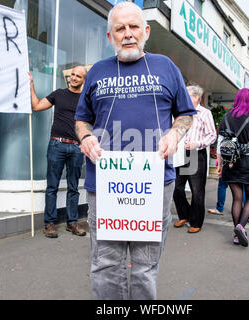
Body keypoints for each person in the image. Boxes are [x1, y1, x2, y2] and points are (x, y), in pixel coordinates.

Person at [74, 2, 195, 300]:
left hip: (154, 181)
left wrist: (174, 134)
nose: (127, 34)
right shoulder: (97, 72)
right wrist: (86, 136)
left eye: (133, 27)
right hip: (105, 182)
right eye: (120, 28)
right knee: (106, 263)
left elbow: (186, 114)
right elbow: (81, 119)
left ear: (146, 31)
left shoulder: (166, 66)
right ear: (109, 36)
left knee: (144, 266)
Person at [29, 66, 87, 238]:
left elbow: (94, 120)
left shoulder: (85, 99)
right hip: (57, 145)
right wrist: (31, 85)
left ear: (84, 80)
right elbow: (37, 106)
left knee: (73, 187)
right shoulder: (59, 94)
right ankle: (50, 224)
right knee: (52, 186)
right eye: (73, 75)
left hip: (77, 147)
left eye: (79, 76)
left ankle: (72, 223)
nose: (74, 78)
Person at [217, 88, 249, 246]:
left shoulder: (226, 116)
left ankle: (237, 235)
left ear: (237, 99)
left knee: (236, 199)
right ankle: (241, 227)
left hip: (230, 163)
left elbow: (220, 144)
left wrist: (219, 163)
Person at [173, 85, 216, 233]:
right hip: (180, 154)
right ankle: (184, 215)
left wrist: (197, 143)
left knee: (197, 190)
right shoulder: (181, 112)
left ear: (196, 97)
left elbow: (212, 135)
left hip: (196, 154)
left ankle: (196, 222)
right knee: (176, 187)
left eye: (187, 94)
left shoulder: (205, 113)